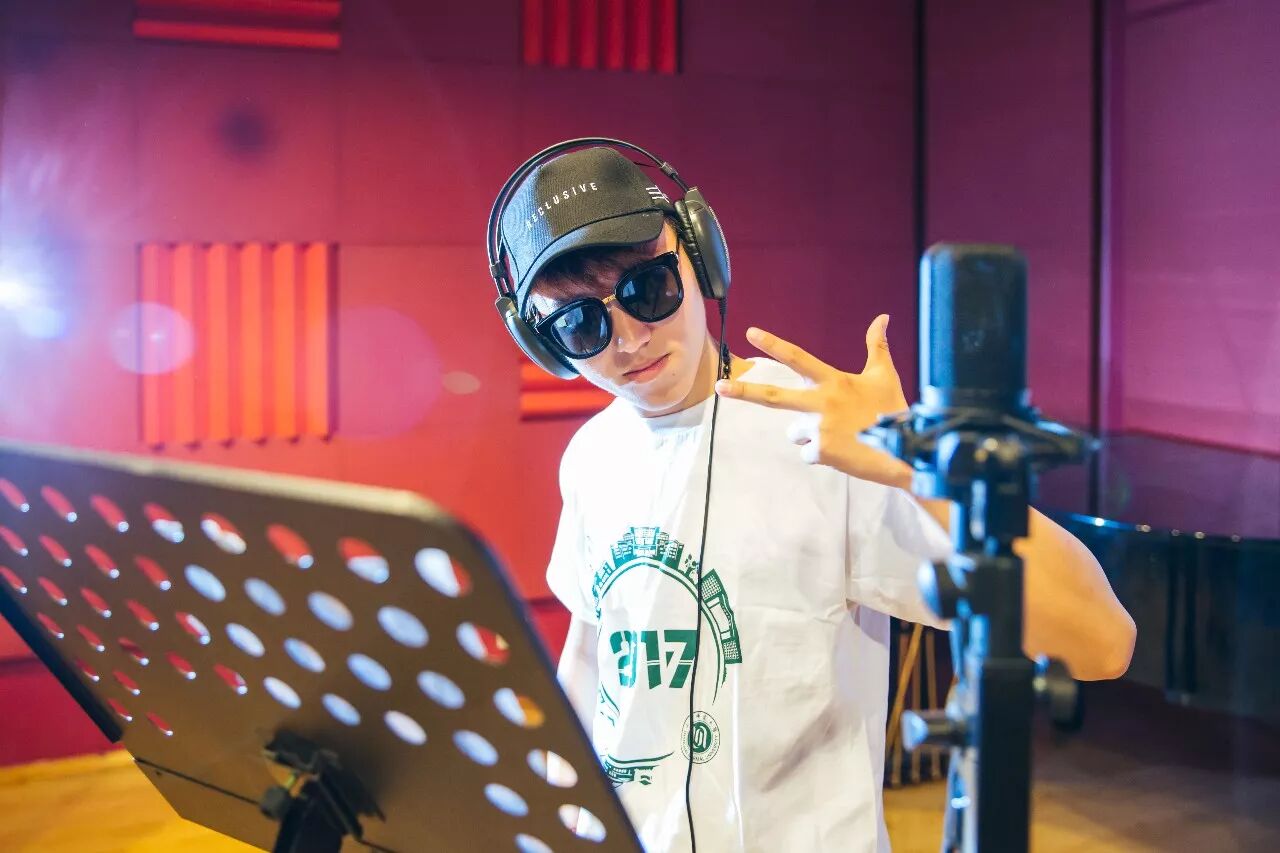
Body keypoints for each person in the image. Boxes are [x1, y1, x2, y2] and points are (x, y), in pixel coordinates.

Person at [487, 142, 1136, 852]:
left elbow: (1101, 642)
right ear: (543, 345)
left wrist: (917, 466)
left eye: (648, 288)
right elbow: (593, 660)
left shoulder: (825, 439)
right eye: (581, 324)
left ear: (700, 256)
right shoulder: (591, 456)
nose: (630, 338)